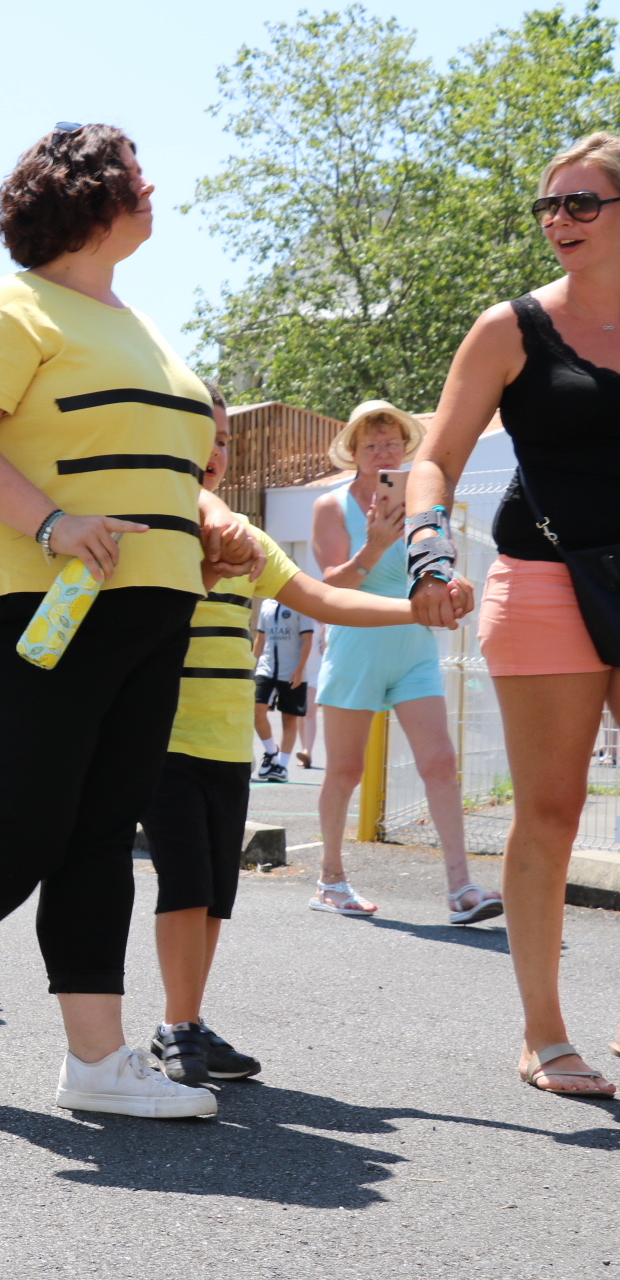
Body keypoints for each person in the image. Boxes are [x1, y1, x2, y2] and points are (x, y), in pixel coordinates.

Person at [0, 122, 259, 1119]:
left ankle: (97, 1062)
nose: (152, 188)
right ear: (85, 193)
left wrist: (201, 530)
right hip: (38, 593)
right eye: (135, 174)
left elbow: (158, 465)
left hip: (157, 600)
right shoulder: (9, 305)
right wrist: (50, 520)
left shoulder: (143, 326)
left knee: (101, 831)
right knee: (24, 820)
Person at [141, 391, 453, 1086]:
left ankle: (184, 1020)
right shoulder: (151, 528)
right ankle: (176, 1029)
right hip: (163, 738)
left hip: (228, 743)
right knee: (185, 883)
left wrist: (417, 606)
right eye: (201, 436)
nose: (214, 452)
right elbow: (136, 620)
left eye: (224, 440)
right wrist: (204, 570)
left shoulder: (247, 536)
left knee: (215, 893)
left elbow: (321, 598)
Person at [405, 132, 620, 1095]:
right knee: (552, 808)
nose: (558, 220)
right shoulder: (511, 328)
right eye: (548, 205)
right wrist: (428, 549)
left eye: (581, 203)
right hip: (543, 580)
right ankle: (545, 1035)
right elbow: (435, 457)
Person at [309, 400, 499, 924]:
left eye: (391, 443)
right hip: (356, 646)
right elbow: (328, 588)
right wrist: (372, 548)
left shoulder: (422, 502)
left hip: (413, 647)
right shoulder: (331, 505)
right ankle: (330, 879)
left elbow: (436, 569)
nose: (382, 453)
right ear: (353, 452)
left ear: (405, 447)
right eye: (371, 445)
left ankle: (461, 887)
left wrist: (453, 584)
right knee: (345, 769)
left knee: (438, 761)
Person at [250, 597, 314, 782]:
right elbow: (260, 638)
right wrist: (250, 666)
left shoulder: (301, 603)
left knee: (289, 717)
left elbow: (307, 640)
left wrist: (300, 669)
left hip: (292, 671)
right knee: (256, 710)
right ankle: (271, 752)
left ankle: (282, 766)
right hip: (266, 669)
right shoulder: (266, 604)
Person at [295, 624, 325, 770]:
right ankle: (305, 751)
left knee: (310, 712)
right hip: (299, 669)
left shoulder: (320, 620)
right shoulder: (298, 617)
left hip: (316, 669)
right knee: (300, 715)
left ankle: (307, 751)